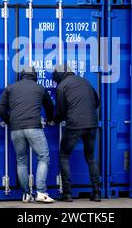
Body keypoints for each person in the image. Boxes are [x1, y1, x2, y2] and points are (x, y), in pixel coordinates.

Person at [0, 67, 55, 203]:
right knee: (43, 157)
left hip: (16, 129)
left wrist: (10, 121)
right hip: (34, 127)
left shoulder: (10, 88)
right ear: (34, 76)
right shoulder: (39, 88)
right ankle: (41, 191)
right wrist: (50, 119)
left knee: (21, 161)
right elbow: (50, 107)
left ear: (21, 76)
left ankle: (26, 194)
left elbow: (0, 109)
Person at [53, 64, 101, 202]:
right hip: (92, 124)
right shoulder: (85, 81)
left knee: (64, 156)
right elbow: (97, 102)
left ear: (59, 76)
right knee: (91, 158)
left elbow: (61, 112)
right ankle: (96, 193)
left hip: (74, 125)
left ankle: (67, 194)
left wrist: (54, 121)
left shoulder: (62, 86)